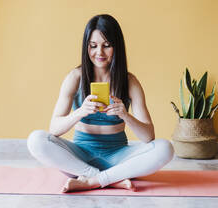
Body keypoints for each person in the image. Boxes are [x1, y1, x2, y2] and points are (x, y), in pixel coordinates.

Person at [27, 14, 174, 192]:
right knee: (36, 139)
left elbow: (148, 136)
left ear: (116, 47)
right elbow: (54, 129)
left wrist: (125, 115)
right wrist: (80, 112)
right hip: (80, 158)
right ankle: (108, 178)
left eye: (107, 45)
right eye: (93, 46)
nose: (99, 53)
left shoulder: (130, 82)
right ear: (86, 47)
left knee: (165, 148)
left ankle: (91, 180)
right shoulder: (75, 77)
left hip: (119, 156)